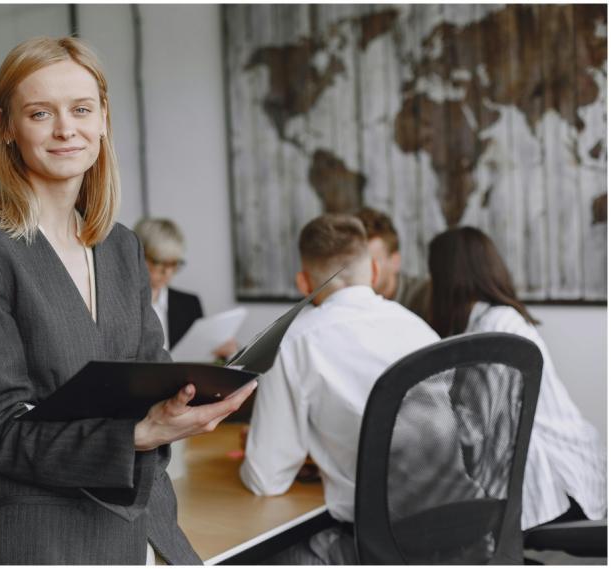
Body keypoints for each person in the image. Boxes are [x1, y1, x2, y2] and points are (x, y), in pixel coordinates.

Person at [0, 36, 256, 565]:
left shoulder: (121, 246)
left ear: (103, 118)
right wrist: (138, 434)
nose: (66, 129)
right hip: (47, 543)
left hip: (148, 531)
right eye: (40, 113)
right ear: (6, 125)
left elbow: (152, 376)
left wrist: (191, 401)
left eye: (81, 109)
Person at [239, 213, 440, 563]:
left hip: (367, 545)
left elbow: (266, 479)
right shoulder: (421, 330)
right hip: (449, 531)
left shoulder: (294, 342)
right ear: (374, 271)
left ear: (304, 282)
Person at [427, 226, 606, 530]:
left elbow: (475, 429)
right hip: (568, 470)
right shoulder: (493, 322)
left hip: (555, 482)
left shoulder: (495, 328)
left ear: (445, 278)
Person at [133, 217, 237, 359]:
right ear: (138, 256)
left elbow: (200, 359)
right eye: (159, 262)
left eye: (174, 264)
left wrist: (220, 352)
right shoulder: (121, 305)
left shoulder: (189, 304)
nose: (167, 272)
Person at [355, 206, 429, 318]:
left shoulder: (424, 298)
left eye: (371, 263)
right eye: (355, 263)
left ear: (395, 262)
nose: (360, 270)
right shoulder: (348, 302)